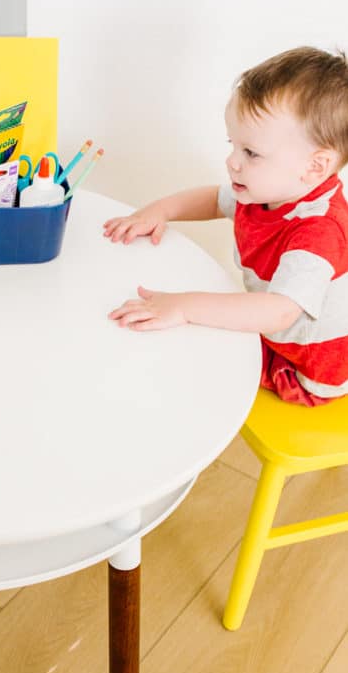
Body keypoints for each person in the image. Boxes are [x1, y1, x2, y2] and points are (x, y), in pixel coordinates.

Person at [103, 46, 348, 405]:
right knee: (183, 329)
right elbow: (214, 200)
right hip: (279, 331)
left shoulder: (318, 232)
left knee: (192, 349)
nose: (232, 162)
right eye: (233, 145)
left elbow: (278, 311)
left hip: (305, 367)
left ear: (314, 167)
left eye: (251, 153)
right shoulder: (270, 190)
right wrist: (159, 210)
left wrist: (183, 306)